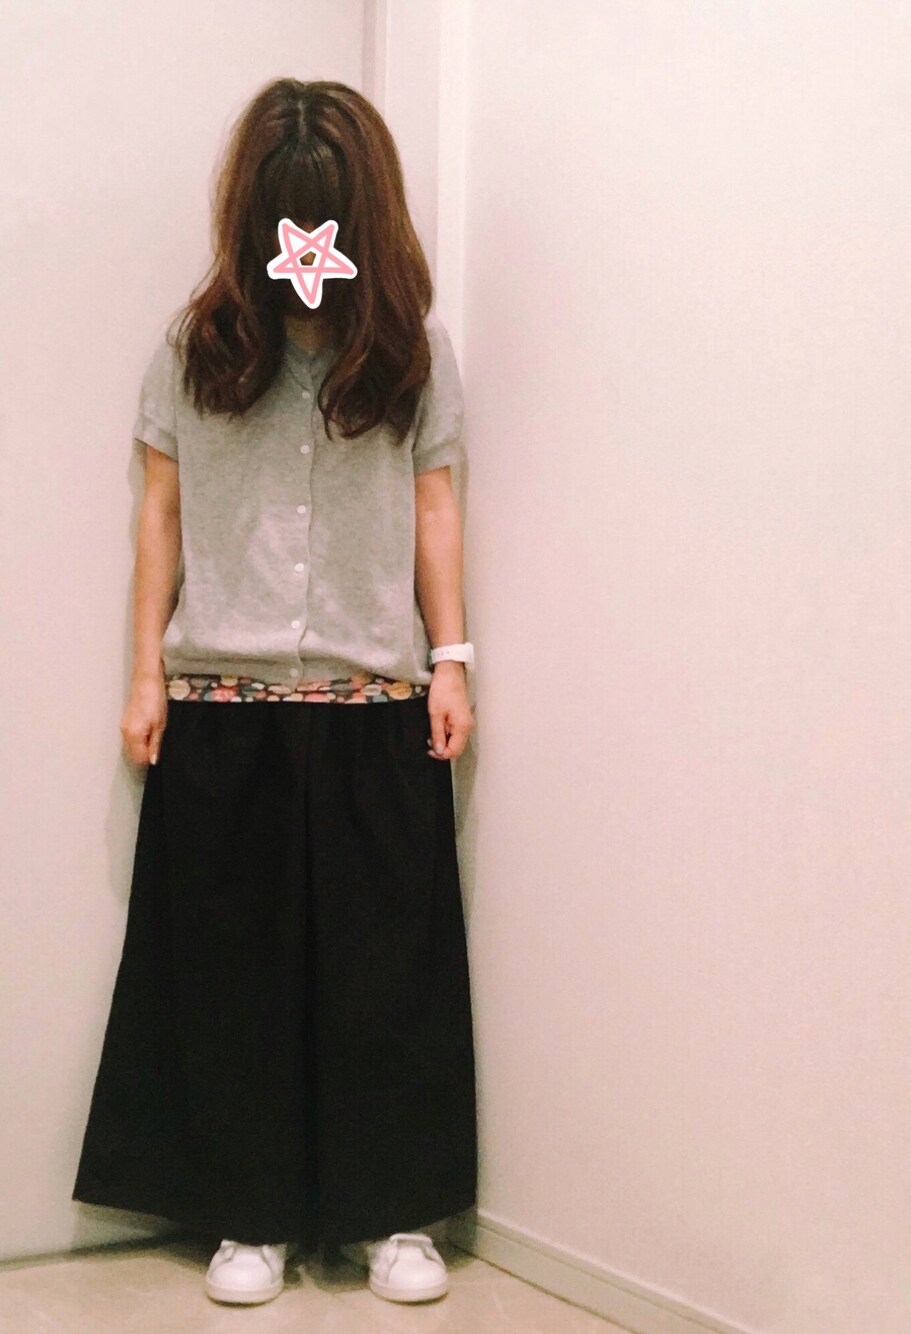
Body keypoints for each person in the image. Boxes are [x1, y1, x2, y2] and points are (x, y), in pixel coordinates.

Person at [71, 77, 479, 1309]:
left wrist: (453, 657)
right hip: (223, 701)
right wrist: (143, 672)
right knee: (229, 973)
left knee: (384, 974)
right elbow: (158, 512)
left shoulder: (409, 353)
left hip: (373, 700)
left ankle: (390, 1213)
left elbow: (434, 505)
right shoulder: (197, 350)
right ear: (256, 216)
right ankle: (247, 1213)